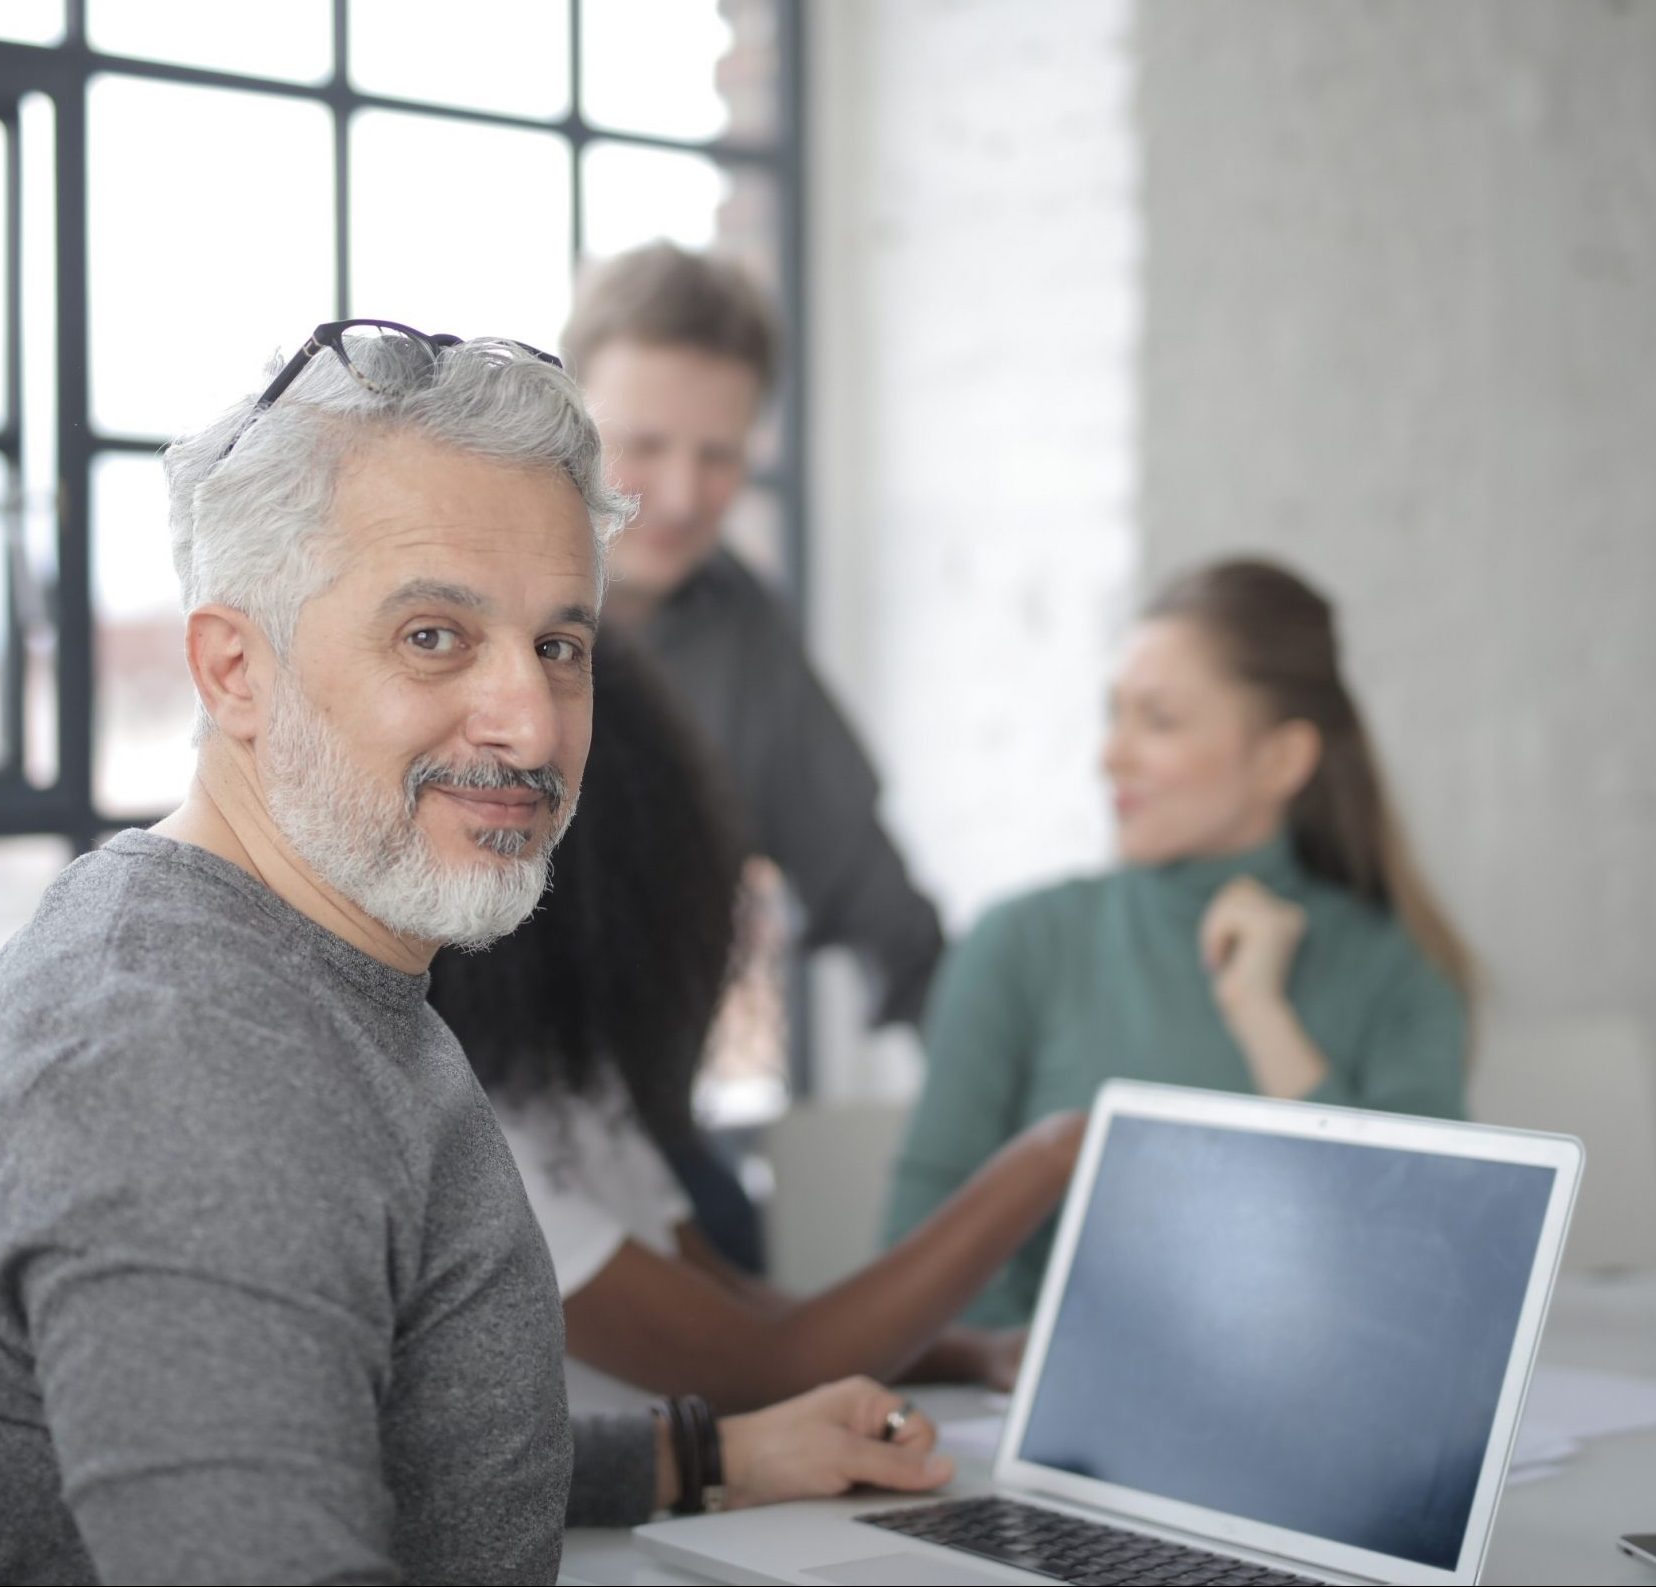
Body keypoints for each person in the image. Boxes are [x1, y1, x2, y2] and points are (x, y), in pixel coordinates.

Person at [0, 322, 953, 1587]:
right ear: (234, 670)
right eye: (433, 636)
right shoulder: (186, 1063)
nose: (529, 722)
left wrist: (705, 1456)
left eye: (559, 644)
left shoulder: (309, 962)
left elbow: (382, 1438)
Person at [428, 635, 1086, 1415]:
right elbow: (770, 1365)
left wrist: (973, 1354)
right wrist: (1051, 1156)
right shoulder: (464, 1142)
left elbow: (743, 1308)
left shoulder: (565, 1084)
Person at [884, 557, 1474, 1328]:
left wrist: (1263, 1016)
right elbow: (915, 1250)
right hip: (1026, 1417)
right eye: (1114, 714)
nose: (1110, 757)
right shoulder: (1020, 942)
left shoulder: (1400, 966)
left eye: (1157, 720)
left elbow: (1419, 1269)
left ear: (1281, 760)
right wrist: (1016, 1370)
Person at [563, 242, 944, 1032]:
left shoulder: (748, 632)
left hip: (642, 1112)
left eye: (718, 457)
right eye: (643, 445)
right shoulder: (449, 600)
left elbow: (889, 918)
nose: (677, 499)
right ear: (569, 417)